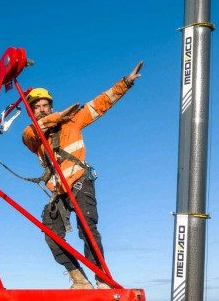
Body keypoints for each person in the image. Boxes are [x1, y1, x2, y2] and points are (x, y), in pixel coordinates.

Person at [22, 61, 144, 289]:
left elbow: (99, 104)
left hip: (79, 183)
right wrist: (56, 118)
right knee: (51, 234)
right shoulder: (32, 135)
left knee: (87, 229)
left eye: (45, 105)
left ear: (50, 106)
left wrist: (125, 83)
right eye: (36, 107)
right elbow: (32, 133)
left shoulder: (72, 122)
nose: (41, 109)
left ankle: (101, 277)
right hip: (59, 192)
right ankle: (79, 278)